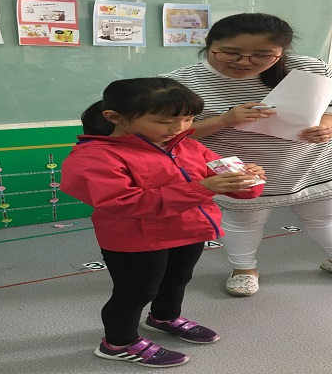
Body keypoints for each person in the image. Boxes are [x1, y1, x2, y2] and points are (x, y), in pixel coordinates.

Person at [163, 13, 332, 297]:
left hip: (313, 164)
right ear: (208, 43)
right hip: (240, 170)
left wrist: (325, 126)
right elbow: (167, 136)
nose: (244, 62)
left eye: (263, 55)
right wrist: (224, 120)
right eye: (230, 52)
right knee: (243, 222)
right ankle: (244, 269)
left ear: (282, 51)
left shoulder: (309, 68)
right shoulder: (178, 83)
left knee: (326, 218)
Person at [60, 77, 265, 367]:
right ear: (115, 117)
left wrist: (247, 178)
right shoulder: (94, 156)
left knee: (177, 279)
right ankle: (118, 343)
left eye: (189, 119)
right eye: (165, 122)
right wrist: (203, 188)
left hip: (188, 229)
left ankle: (164, 318)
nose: (179, 128)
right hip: (134, 238)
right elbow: (123, 203)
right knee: (136, 292)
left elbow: (240, 189)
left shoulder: (190, 146)